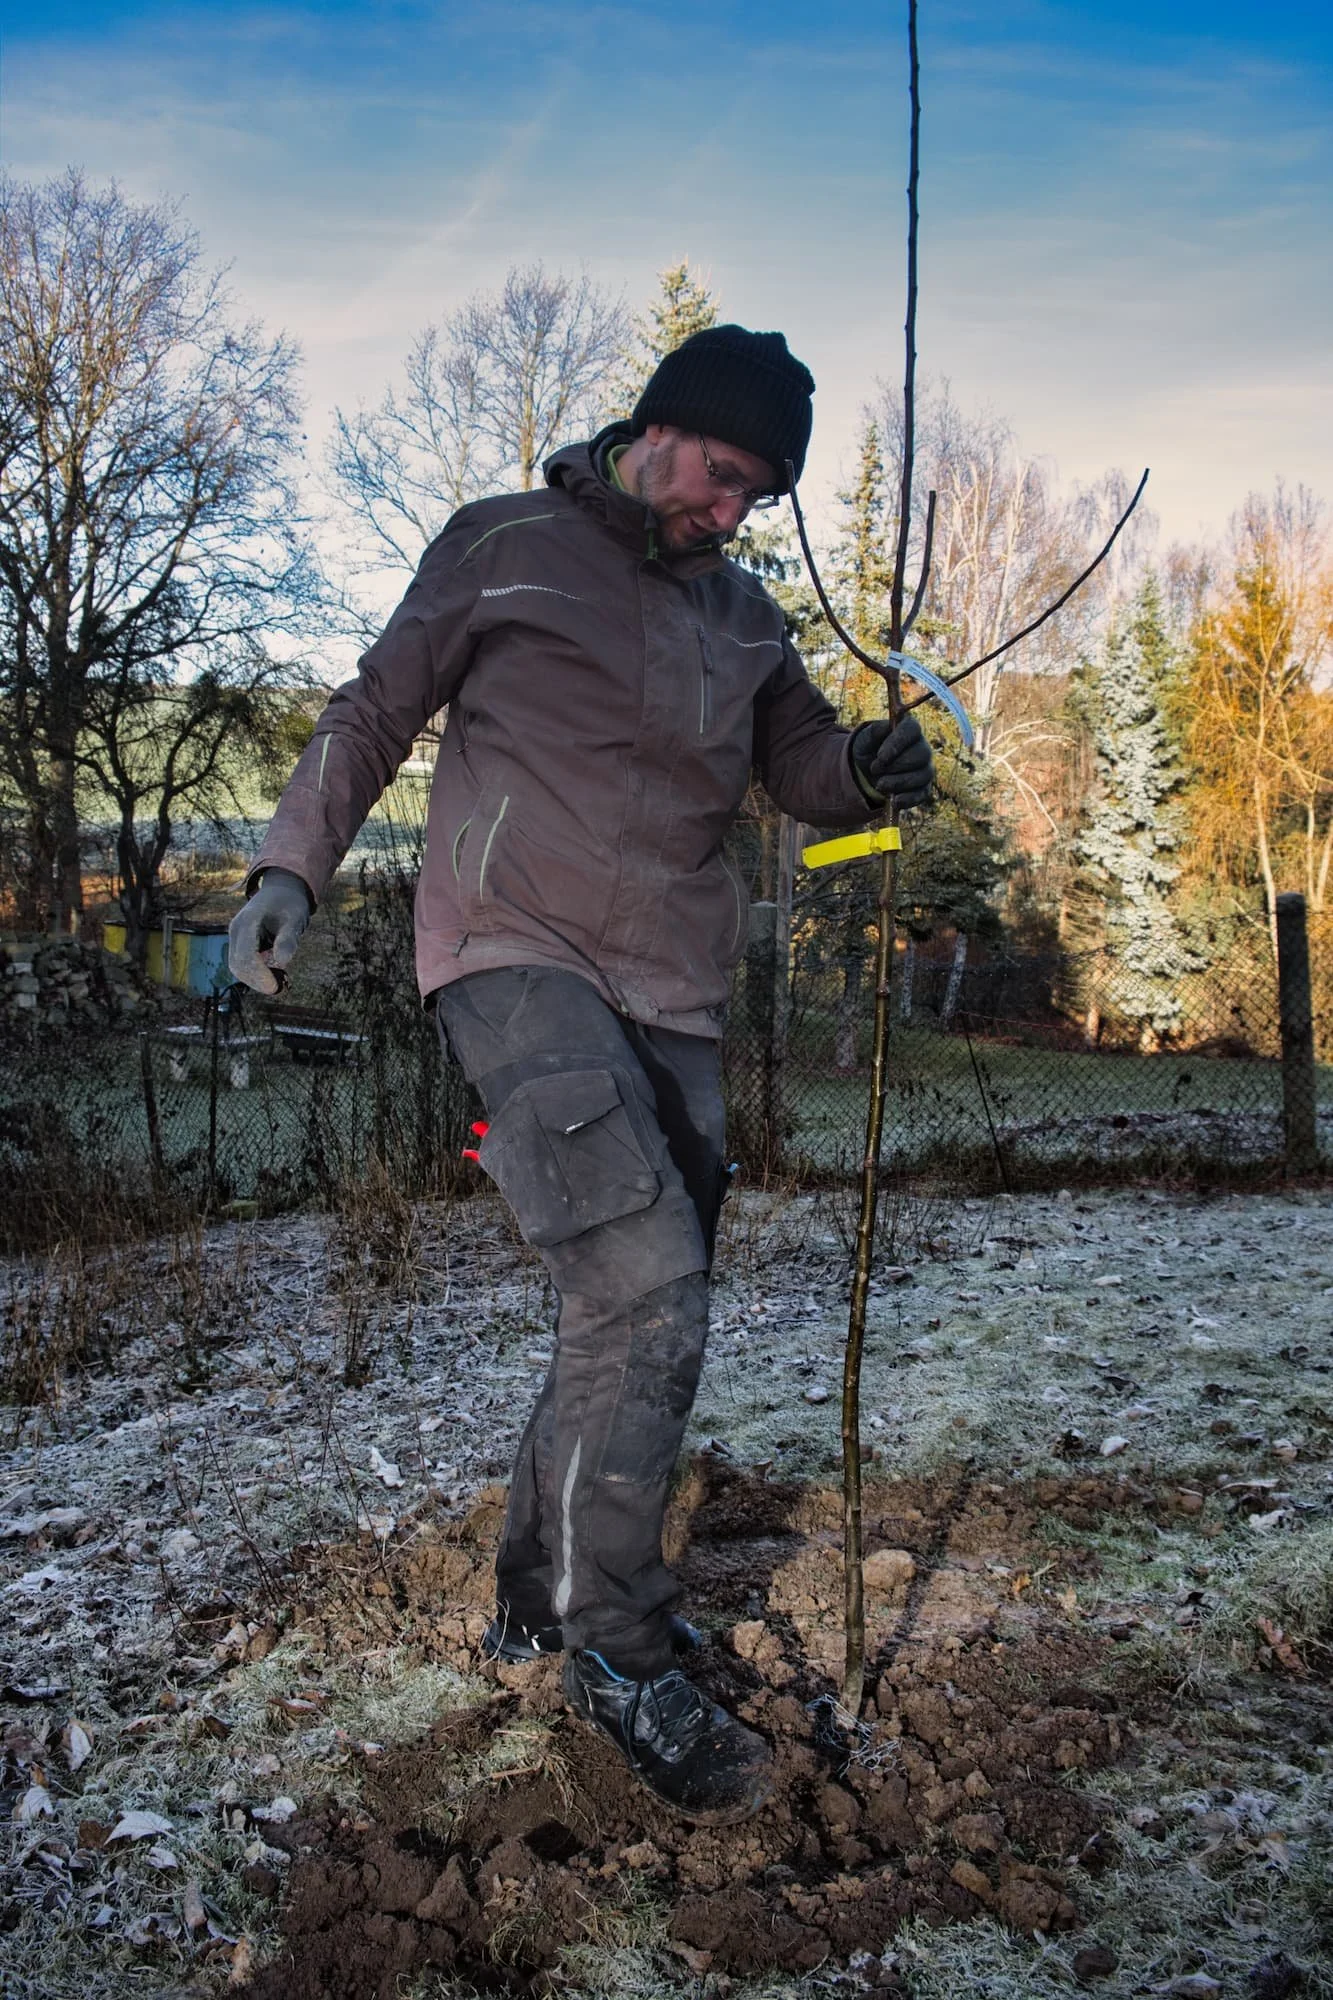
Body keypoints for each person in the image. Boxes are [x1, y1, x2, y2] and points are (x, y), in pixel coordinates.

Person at [228, 325, 933, 1824]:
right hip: (510, 951)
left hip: (675, 987)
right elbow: (371, 710)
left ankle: (536, 1599)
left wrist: (867, 769)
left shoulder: (742, 619)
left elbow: (801, 770)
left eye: (758, 496)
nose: (730, 514)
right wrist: (290, 868)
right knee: (647, 1281)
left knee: (623, 1303)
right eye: (723, 477)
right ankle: (614, 1649)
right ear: (658, 430)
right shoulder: (506, 547)